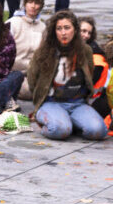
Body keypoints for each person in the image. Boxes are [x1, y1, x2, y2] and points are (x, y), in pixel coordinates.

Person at [27, 10, 107, 141]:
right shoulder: (44, 51)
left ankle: (70, 122)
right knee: (60, 130)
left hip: (78, 103)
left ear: (75, 30)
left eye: (67, 28)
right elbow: (32, 79)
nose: (63, 32)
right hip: (52, 102)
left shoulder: (85, 51)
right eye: (59, 29)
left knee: (99, 131)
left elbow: (89, 74)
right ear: (54, 31)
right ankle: (51, 121)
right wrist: (40, 96)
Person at [7, 0, 46, 100]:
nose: (33, 6)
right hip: (13, 72)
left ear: (41, 6)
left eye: (37, 3)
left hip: (33, 73)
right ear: (25, 4)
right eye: (30, 2)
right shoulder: (13, 23)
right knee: (30, 92)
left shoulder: (43, 27)